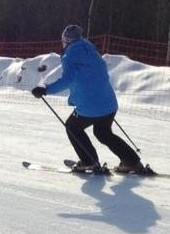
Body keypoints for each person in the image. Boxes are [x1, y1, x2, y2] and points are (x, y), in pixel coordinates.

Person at [31, 24, 145, 173]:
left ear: (66, 40)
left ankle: (89, 161)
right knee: (103, 133)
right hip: (109, 104)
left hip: (90, 107)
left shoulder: (70, 56)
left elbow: (68, 79)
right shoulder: (90, 49)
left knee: (72, 127)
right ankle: (132, 161)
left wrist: (46, 90)